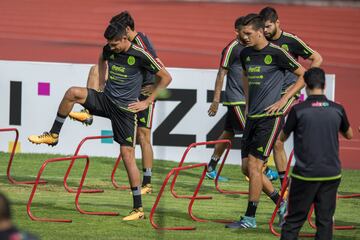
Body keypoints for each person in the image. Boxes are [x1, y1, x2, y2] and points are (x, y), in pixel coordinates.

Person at [28, 22, 172, 221]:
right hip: (105, 100)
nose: (111, 47)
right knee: (72, 93)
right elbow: (101, 59)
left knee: (127, 156)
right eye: (109, 44)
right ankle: (53, 135)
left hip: (125, 112)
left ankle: (138, 209)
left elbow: (166, 77)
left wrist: (147, 101)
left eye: (114, 44)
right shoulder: (108, 49)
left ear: (124, 38)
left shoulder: (140, 54)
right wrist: (103, 81)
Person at [225, 13, 306, 229]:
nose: (244, 38)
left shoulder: (277, 53)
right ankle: (282, 204)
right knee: (246, 168)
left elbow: (304, 74)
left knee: (254, 166)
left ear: (260, 32)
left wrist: (284, 99)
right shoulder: (246, 54)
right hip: (252, 117)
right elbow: (244, 76)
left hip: (269, 119)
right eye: (242, 34)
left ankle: (250, 218)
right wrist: (248, 103)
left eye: (248, 34)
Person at [69, 11, 160, 195]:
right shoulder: (119, 46)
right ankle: (88, 113)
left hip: (142, 94)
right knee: (95, 69)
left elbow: (159, 66)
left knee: (143, 136)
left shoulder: (140, 43)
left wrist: (151, 95)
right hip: (128, 92)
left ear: (126, 30)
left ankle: (148, 183)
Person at [279, 67, 353, 240]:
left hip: (305, 175)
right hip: (331, 174)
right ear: (324, 85)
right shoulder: (337, 109)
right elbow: (349, 134)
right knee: (325, 221)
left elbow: (281, 138)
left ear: (306, 85)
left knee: (293, 222)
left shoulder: (298, 110)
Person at [259, 6, 323, 186]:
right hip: (269, 96)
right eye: (262, 27)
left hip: (288, 96)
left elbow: (317, 58)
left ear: (278, 23)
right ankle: (281, 181)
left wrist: (306, 83)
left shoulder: (291, 40)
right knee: (277, 142)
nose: (265, 31)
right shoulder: (262, 41)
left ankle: (284, 182)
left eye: (268, 26)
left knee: (278, 140)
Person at [206, 16, 247, 182]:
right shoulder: (232, 48)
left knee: (228, 134)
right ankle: (259, 169)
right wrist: (216, 100)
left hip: (246, 98)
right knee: (251, 132)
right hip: (237, 99)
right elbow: (221, 73)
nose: (246, 35)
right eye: (244, 32)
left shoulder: (251, 47)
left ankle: (211, 167)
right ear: (236, 31)